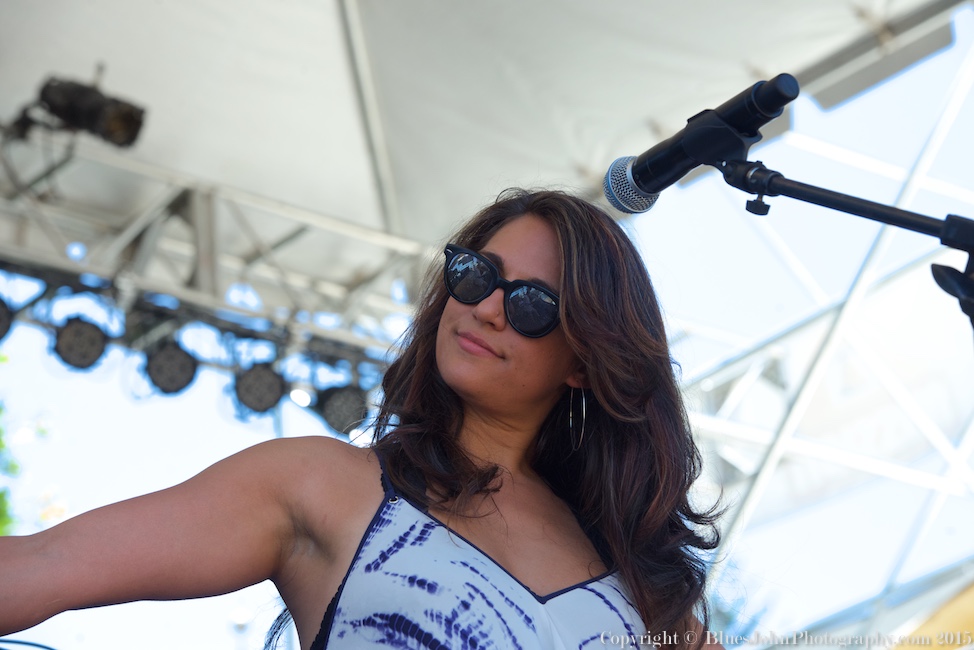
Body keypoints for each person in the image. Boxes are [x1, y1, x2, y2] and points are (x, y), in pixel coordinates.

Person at [0, 189, 720, 649]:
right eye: (477, 274)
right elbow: (46, 565)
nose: (488, 306)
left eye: (533, 304)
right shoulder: (320, 483)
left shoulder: (646, 591)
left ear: (584, 361)